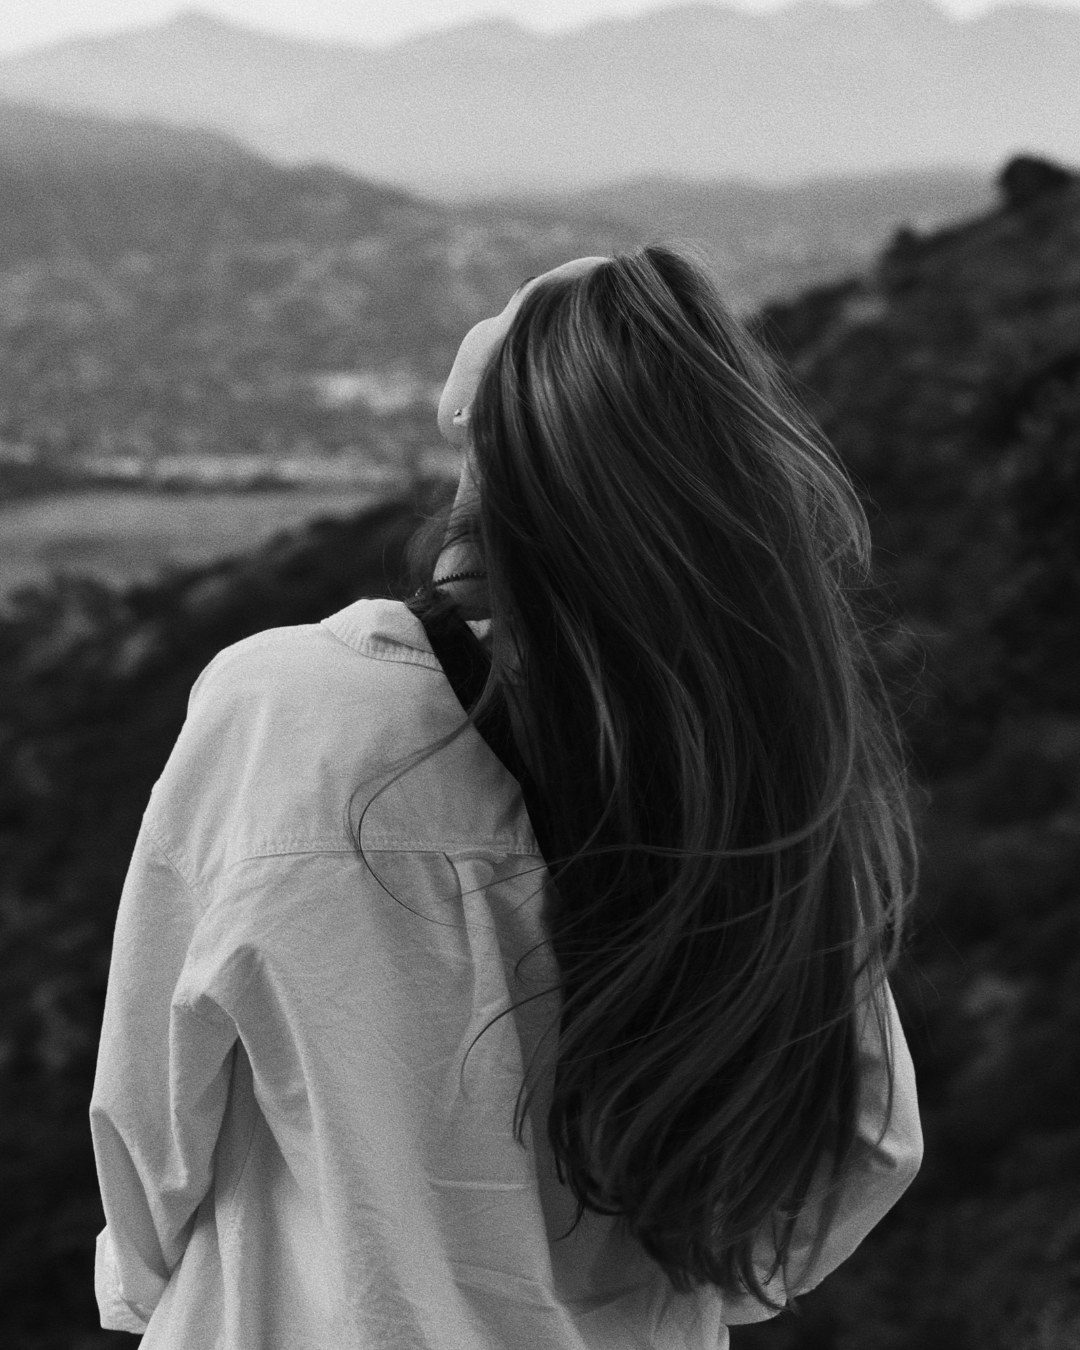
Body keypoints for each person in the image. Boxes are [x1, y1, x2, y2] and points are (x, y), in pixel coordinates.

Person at [90, 247, 923, 1349]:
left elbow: (152, 1122)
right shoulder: (766, 768)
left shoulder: (283, 712)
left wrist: (155, 1294)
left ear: (479, 449)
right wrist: (670, 1298)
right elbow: (867, 1143)